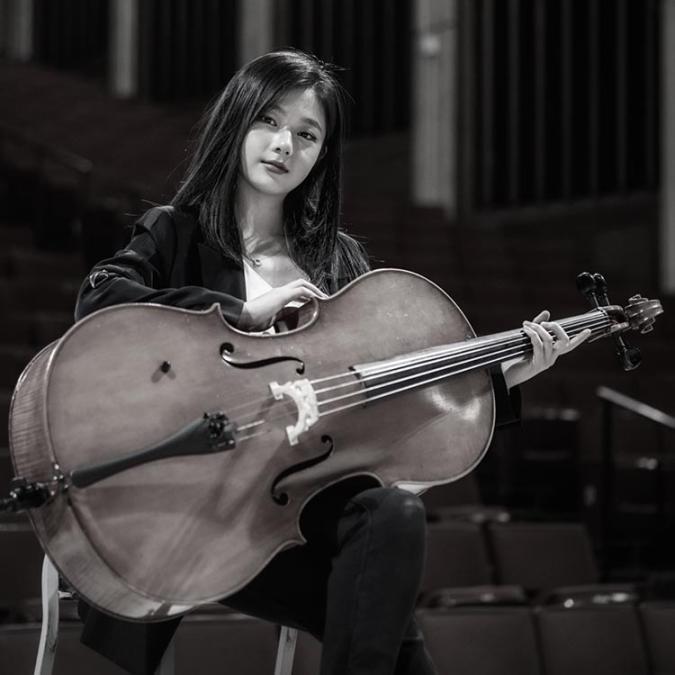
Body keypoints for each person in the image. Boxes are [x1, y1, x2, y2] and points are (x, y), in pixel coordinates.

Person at [74, 49, 590, 675]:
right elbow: (101, 299)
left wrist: (501, 380)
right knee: (385, 626)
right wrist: (245, 313)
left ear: (321, 154)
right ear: (236, 124)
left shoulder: (340, 268)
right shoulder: (176, 232)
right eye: (268, 121)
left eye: (307, 134)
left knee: (392, 513)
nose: (284, 144)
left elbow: (381, 403)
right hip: (197, 515)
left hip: (294, 515)